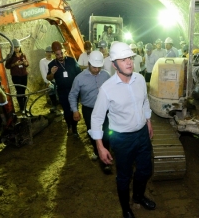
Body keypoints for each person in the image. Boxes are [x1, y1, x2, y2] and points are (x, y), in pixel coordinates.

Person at [89, 42, 155, 218]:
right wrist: (100, 146)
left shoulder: (140, 79)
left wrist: (148, 120)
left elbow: (144, 101)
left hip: (142, 135)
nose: (129, 62)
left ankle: (139, 197)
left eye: (130, 58)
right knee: (124, 176)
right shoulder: (107, 89)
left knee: (145, 170)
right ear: (114, 64)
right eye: (123, 59)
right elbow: (96, 118)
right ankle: (126, 208)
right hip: (122, 139)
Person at [68, 51, 112, 173]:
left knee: (107, 132)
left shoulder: (106, 75)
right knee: (93, 132)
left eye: (99, 67)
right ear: (88, 64)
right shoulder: (79, 78)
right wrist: (75, 110)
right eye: (94, 67)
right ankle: (96, 150)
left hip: (105, 109)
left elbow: (112, 91)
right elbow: (73, 95)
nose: (97, 69)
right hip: (89, 109)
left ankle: (106, 154)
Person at [47, 41, 82, 136]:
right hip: (62, 91)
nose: (60, 56)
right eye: (57, 54)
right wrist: (52, 73)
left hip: (74, 90)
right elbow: (48, 78)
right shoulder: (51, 65)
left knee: (74, 109)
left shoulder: (71, 61)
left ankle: (74, 128)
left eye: (61, 53)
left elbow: (79, 74)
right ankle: (69, 127)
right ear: (54, 54)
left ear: (64, 51)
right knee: (66, 110)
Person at [5, 39, 29, 113]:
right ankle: (21, 108)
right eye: (15, 47)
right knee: (19, 91)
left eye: (18, 47)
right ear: (12, 47)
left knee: (24, 91)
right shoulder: (9, 56)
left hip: (24, 75)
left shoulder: (23, 55)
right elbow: (7, 66)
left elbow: (27, 64)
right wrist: (15, 64)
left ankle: (25, 107)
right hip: (16, 76)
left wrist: (25, 63)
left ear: (20, 47)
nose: (17, 48)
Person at [39, 45, 58, 112]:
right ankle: (54, 106)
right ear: (45, 53)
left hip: (55, 80)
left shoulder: (54, 61)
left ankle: (57, 106)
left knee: (57, 94)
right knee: (51, 93)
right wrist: (47, 81)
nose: (49, 53)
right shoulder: (42, 61)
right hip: (49, 80)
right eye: (48, 52)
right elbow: (43, 72)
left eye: (50, 52)